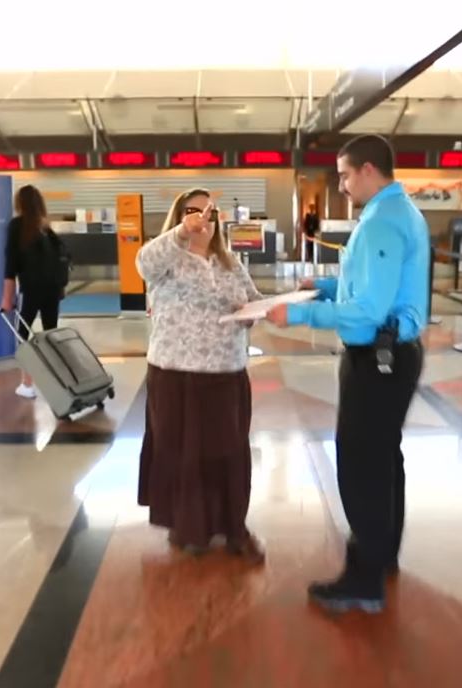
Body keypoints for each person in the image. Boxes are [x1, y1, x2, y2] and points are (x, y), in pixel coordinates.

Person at [267, 134, 428, 614]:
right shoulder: (401, 214)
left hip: (378, 361)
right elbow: (374, 284)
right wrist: (325, 285)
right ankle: (384, 556)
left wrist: (296, 316)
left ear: (369, 171)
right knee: (384, 460)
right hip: (396, 354)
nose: (341, 185)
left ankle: (364, 579)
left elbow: (368, 309)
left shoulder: (381, 222)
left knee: (361, 467)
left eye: (344, 175)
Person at [135, 187, 265, 565]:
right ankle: (188, 527)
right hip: (176, 373)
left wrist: (255, 309)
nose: (202, 218)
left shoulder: (229, 262)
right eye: (193, 211)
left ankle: (234, 528)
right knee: (182, 454)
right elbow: (143, 264)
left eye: (209, 212)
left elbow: (252, 300)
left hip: (225, 372)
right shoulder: (166, 257)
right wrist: (180, 234)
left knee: (227, 453)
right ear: (180, 216)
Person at [0, 185, 69, 399]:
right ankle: (59, 383)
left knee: (22, 336)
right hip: (53, 290)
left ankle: (27, 384)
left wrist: (6, 298)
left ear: (19, 204)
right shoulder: (45, 228)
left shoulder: (17, 226)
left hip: (31, 290)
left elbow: (10, 266)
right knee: (50, 334)